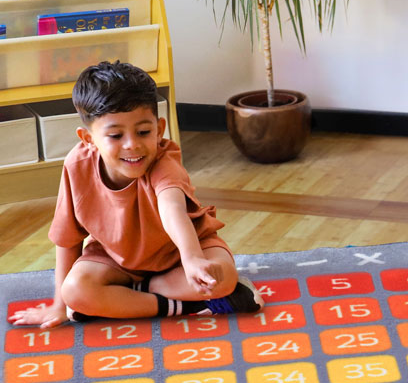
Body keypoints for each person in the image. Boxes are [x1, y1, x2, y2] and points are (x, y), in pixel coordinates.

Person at [9, 61, 263, 329]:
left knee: (223, 277)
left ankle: (128, 299)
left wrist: (192, 259)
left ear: (160, 128)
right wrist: (59, 306)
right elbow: (67, 238)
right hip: (115, 260)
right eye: (116, 135)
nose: (132, 144)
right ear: (88, 138)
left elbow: (172, 208)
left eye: (144, 132)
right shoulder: (76, 165)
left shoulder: (165, 162)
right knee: (75, 291)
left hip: (181, 256)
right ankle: (185, 305)